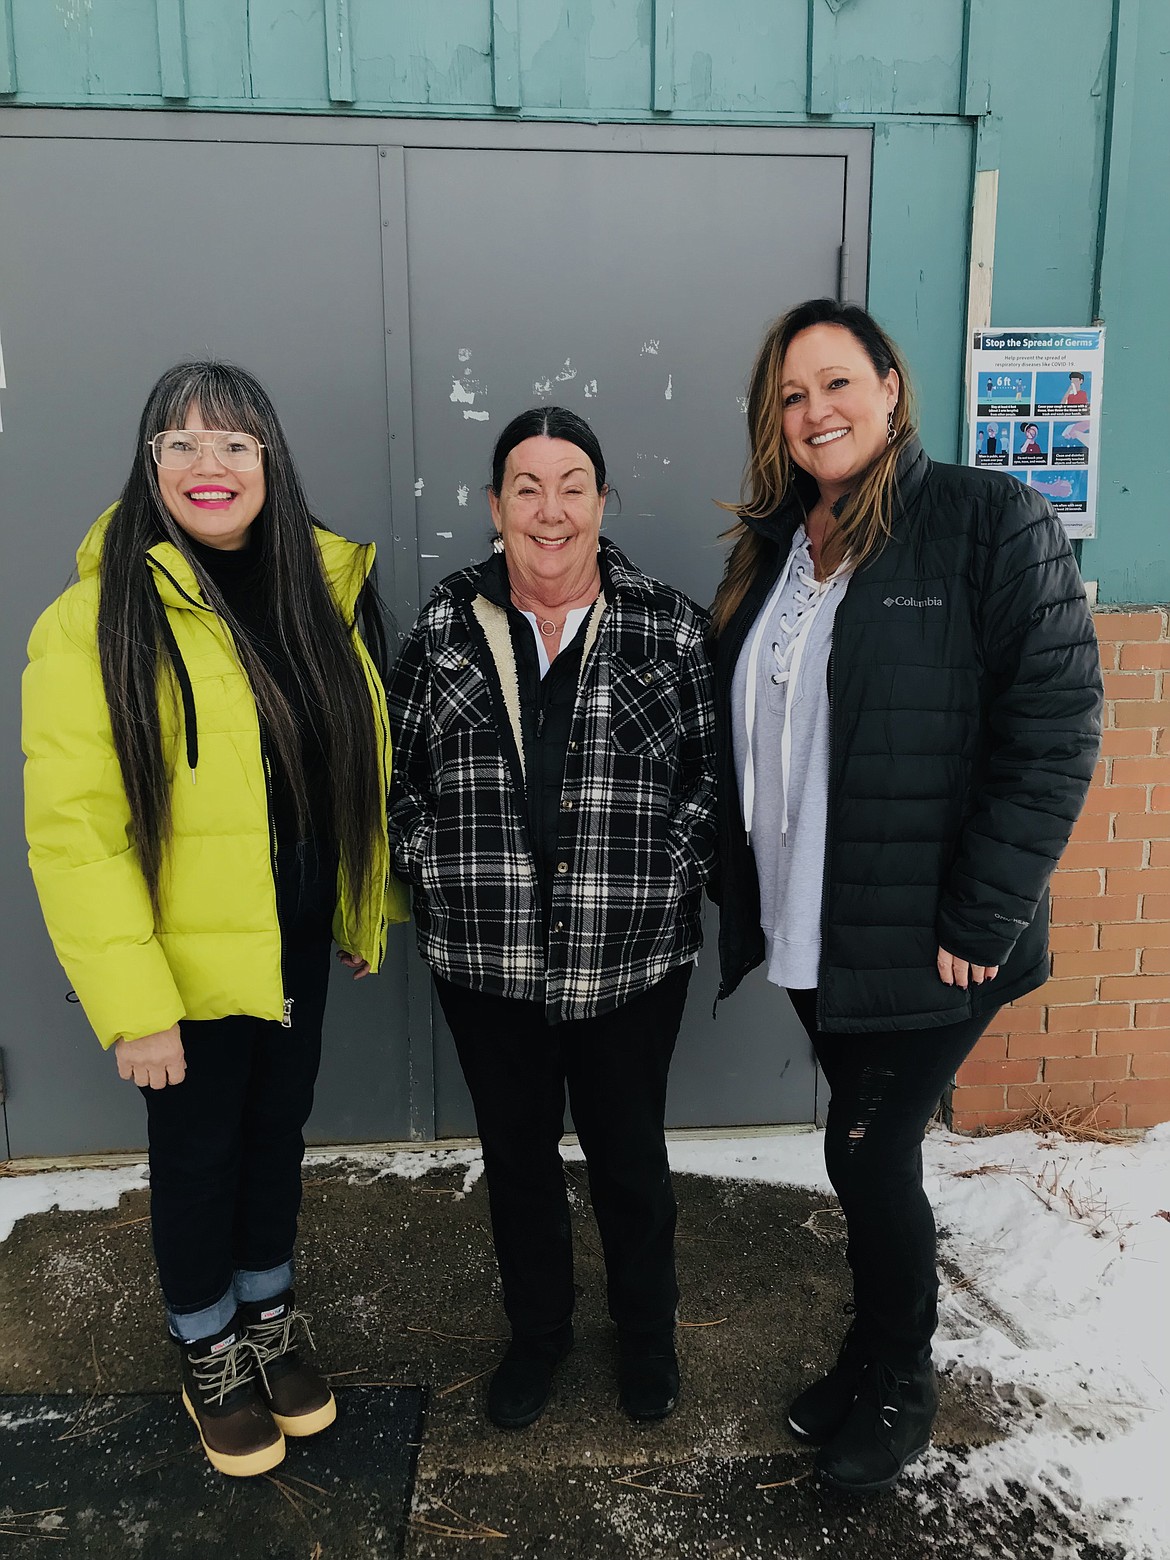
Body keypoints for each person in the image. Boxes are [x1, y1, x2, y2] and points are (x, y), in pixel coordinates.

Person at [709, 299, 1101, 1493]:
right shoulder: (777, 545)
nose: (815, 411)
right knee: (860, 1154)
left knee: (870, 1155)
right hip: (812, 921)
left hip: (932, 938)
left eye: (835, 383)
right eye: (790, 395)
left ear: (890, 388)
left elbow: (1057, 726)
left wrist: (982, 915)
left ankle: (900, 1379)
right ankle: (871, 1349)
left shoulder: (986, 520)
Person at [23, 362, 408, 1477]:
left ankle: (267, 1312)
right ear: (149, 468)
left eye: (235, 443)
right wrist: (134, 1007)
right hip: (179, 966)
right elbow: (76, 834)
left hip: (293, 941)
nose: (210, 464)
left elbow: (340, 771)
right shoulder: (93, 621)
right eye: (181, 443)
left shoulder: (315, 591)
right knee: (197, 1157)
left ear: (269, 463)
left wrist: (354, 904)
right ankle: (207, 1345)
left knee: (275, 1136)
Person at [386, 407, 716, 1429]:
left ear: (603, 500)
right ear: (494, 508)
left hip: (631, 957)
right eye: (526, 487)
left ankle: (647, 1339)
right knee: (519, 1163)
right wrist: (432, 868)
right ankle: (537, 1339)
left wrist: (669, 867)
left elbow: (716, 783)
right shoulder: (441, 628)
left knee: (629, 1159)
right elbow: (397, 782)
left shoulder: (667, 623)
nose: (550, 508)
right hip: (486, 966)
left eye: (572, 483)